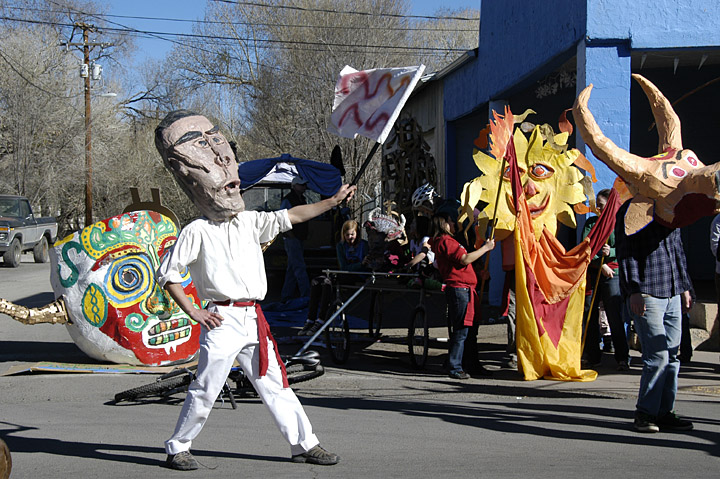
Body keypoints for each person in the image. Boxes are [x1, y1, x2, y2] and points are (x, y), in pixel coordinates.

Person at [154, 110, 354, 470]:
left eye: (218, 142)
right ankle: (178, 446)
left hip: (252, 319)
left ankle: (304, 444)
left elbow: (292, 217)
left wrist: (332, 201)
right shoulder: (196, 231)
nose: (220, 157)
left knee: (275, 382)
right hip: (222, 319)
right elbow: (168, 274)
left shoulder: (250, 221)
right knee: (206, 387)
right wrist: (195, 311)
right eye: (201, 144)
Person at [616, 199, 694, 433]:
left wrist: (684, 287)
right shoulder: (632, 210)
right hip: (648, 291)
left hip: (671, 290)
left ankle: (664, 411)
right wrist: (634, 290)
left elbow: (678, 250)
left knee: (671, 356)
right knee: (657, 356)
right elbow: (626, 252)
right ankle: (646, 412)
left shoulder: (671, 208)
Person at [429, 211, 496, 379]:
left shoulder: (446, 241)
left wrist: (479, 273)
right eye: (451, 222)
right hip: (460, 290)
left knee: (471, 330)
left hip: (466, 289)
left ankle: (471, 364)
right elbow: (464, 259)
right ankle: (454, 366)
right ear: (443, 224)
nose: (453, 225)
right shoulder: (446, 241)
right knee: (462, 330)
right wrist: (485, 248)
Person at [582, 189, 630, 371]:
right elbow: (585, 246)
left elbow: (626, 247)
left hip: (613, 275)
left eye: (603, 207)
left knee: (615, 316)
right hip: (594, 273)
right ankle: (593, 356)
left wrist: (613, 253)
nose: (600, 211)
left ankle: (622, 357)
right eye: (598, 207)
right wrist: (600, 264)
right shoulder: (591, 223)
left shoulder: (620, 224)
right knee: (589, 315)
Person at [298, 219, 369, 336]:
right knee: (317, 282)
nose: (350, 237)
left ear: (357, 233)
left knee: (327, 282)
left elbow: (363, 267)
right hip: (346, 273)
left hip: (358, 276)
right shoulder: (340, 246)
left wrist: (359, 266)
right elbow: (344, 266)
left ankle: (321, 320)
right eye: (347, 235)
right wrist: (359, 264)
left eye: (352, 234)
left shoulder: (364, 245)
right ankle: (310, 320)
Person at [280, 176, 311, 301]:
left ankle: (286, 296)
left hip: (299, 237)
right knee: (299, 267)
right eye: (301, 185)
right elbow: (282, 218)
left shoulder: (302, 199)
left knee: (292, 268)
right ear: (294, 186)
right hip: (291, 237)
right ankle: (306, 296)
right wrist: (290, 234)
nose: (303, 187)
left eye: (304, 185)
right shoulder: (288, 200)